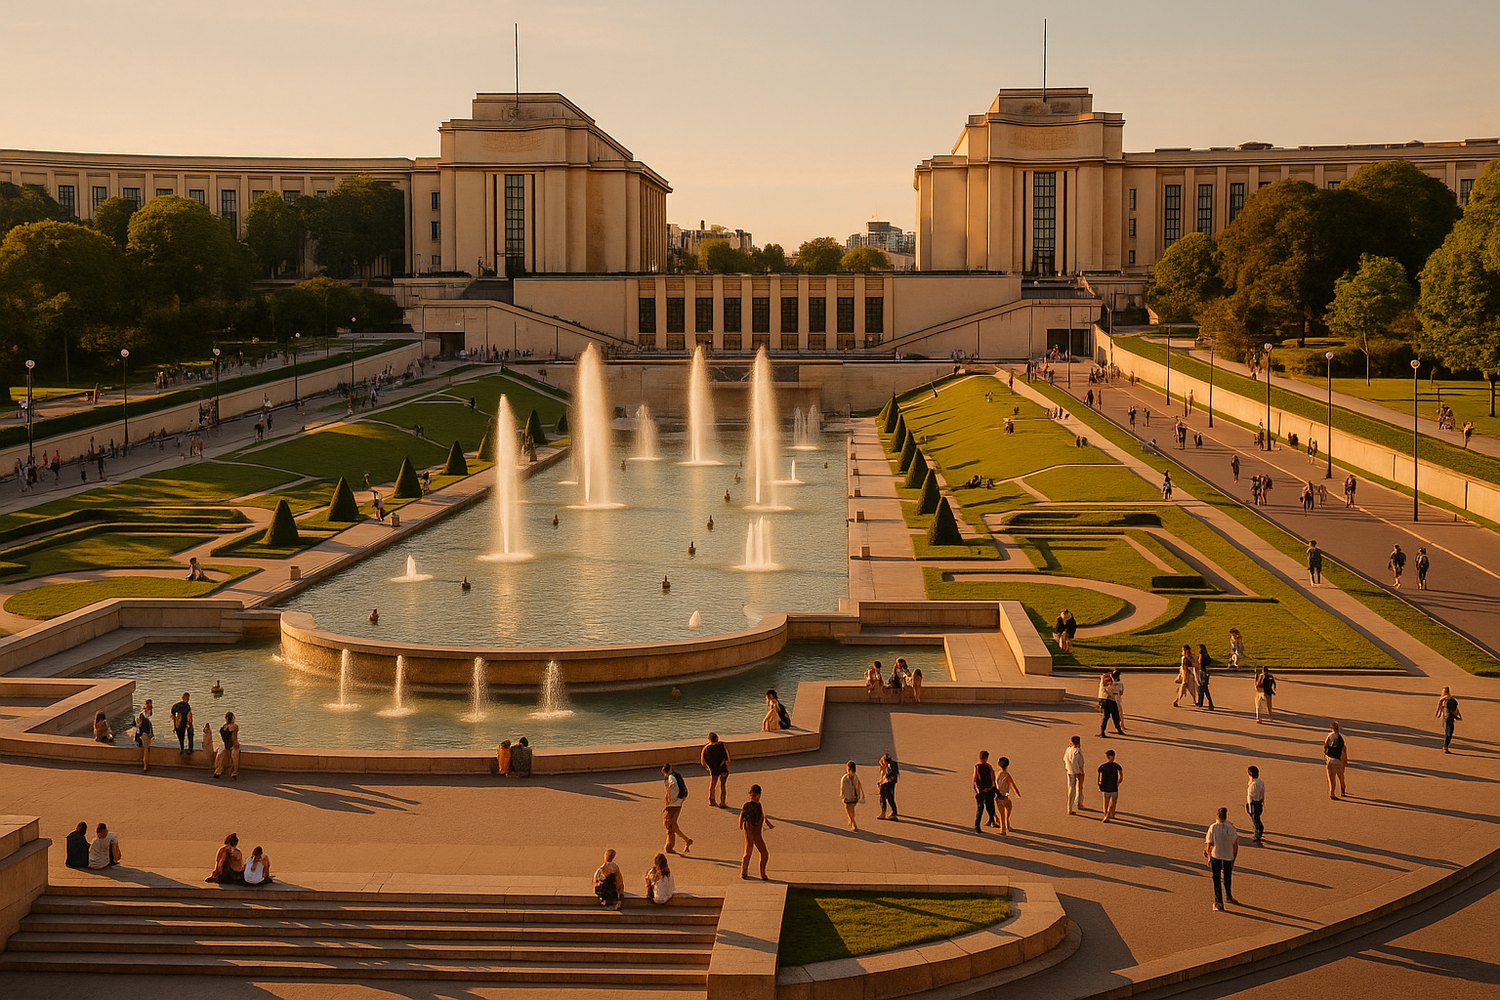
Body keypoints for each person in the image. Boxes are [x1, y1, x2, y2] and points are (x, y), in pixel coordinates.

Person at [1204, 807, 1241, 911]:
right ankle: (1228, 896)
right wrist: (1234, 856)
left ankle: (1218, 902)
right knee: (1227, 878)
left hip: (1216, 856)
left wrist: (1207, 851)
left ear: (1217, 816)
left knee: (1216, 879)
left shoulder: (1213, 827)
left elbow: (1209, 843)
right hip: (1228, 856)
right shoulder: (1230, 827)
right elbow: (1235, 843)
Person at [739, 784, 774, 880]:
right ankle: (748, 871)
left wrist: (767, 822)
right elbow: (742, 816)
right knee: (753, 852)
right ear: (758, 794)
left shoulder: (756, 805)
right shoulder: (749, 805)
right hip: (752, 832)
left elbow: (761, 815)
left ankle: (748, 871)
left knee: (756, 852)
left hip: (754, 833)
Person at [661, 763, 693, 854]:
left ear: (664, 771)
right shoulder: (677, 775)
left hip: (672, 804)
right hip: (678, 803)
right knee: (672, 825)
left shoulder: (671, 777)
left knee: (668, 824)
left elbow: (673, 787)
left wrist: (670, 799)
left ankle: (684, 840)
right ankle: (669, 846)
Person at [701, 733, 730, 808]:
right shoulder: (722, 746)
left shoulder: (706, 749)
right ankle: (723, 802)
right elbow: (727, 758)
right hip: (723, 768)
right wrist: (726, 767)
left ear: (709, 740)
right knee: (723, 785)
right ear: (717, 738)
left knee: (712, 785)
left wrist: (709, 768)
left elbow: (703, 762)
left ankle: (712, 800)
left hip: (714, 769)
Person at [993, 756, 1021, 834]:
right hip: (1005, 797)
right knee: (1008, 807)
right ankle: (1006, 825)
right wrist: (1017, 792)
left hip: (998, 797)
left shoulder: (997, 774)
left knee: (1001, 813)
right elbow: (1012, 784)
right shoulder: (1006, 774)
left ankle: (1003, 828)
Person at [972, 750, 998, 833]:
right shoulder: (988, 766)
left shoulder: (977, 767)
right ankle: (992, 821)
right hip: (988, 790)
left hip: (980, 790)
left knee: (980, 808)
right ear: (986, 758)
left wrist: (976, 790)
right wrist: (992, 787)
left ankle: (977, 826)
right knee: (990, 807)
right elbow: (992, 777)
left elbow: (974, 779)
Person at [1324, 721, 1349, 800]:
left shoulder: (1328, 737)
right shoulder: (1340, 738)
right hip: (1338, 761)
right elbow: (1343, 749)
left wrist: (1326, 756)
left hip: (1330, 760)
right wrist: (1345, 760)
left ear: (1331, 728)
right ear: (1338, 728)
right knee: (1341, 777)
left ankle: (1332, 793)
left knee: (1331, 779)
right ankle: (1342, 791)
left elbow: (1325, 747)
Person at [1097, 750, 1122, 822]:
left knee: (1106, 801)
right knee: (1113, 801)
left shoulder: (1102, 766)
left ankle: (1106, 815)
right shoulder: (1117, 766)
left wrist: (1099, 784)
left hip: (1105, 786)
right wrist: (1118, 783)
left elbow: (1099, 777)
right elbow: (1121, 776)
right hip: (1113, 786)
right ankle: (1110, 814)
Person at [1435, 687, 1462, 754]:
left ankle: (1445, 746)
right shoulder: (1452, 700)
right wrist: (1458, 716)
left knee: (1447, 731)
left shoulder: (1442, 699)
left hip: (1444, 718)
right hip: (1450, 718)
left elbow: (1440, 708)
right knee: (1449, 733)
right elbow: (1455, 710)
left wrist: (1438, 715)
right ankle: (1445, 747)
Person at [213, 711, 240, 779]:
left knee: (222, 755)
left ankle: (218, 770)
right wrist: (236, 745)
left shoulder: (223, 727)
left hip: (226, 745)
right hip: (232, 745)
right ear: (233, 718)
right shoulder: (234, 726)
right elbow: (234, 737)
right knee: (235, 755)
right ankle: (235, 771)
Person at [1063, 736, 1086, 815]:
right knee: (1079, 787)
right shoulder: (1077, 751)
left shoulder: (1068, 749)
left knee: (1071, 789)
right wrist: (1079, 772)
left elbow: (1065, 759)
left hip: (1069, 771)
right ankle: (1078, 803)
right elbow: (1078, 762)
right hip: (1077, 771)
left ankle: (1073, 806)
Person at [839, 760, 864, 831]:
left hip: (853, 796)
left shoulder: (855, 777)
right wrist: (842, 795)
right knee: (847, 808)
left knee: (852, 810)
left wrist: (858, 795)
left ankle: (852, 821)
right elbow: (842, 787)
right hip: (847, 796)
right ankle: (852, 821)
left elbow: (858, 786)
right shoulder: (844, 778)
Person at [1097, 671, 1124, 736]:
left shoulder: (1102, 684)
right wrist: (1112, 677)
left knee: (1106, 716)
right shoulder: (1114, 684)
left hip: (1103, 700)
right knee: (1115, 715)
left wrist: (1106, 675)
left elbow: (1102, 677)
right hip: (1111, 701)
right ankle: (1118, 729)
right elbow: (1119, 692)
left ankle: (1102, 731)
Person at [1246, 766, 1266, 843]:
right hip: (1259, 802)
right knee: (1256, 817)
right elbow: (1263, 793)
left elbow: (1250, 797)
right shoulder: (1261, 782)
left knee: (1255, 819)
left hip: (1254, 803)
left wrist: (1249, 807)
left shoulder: (1252, 785)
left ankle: (1258, 833)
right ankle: (1257, 830)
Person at [134, 699, 154, 773]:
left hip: (145, 733)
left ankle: (144, 761)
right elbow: (140, 725)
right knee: (146, 749)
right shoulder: (144, 715)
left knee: (146, 748)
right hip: (145, 733)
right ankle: (145, 765)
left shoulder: (143, 714)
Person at [1195, 644, 1215, 711]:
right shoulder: (1207, 656)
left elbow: (1199, 663)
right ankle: (1201, 702)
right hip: (1206, 673)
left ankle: (1210, 703)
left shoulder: (1201, 656)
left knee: (1203, 689)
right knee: (1202, 688)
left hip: (1202, 673)